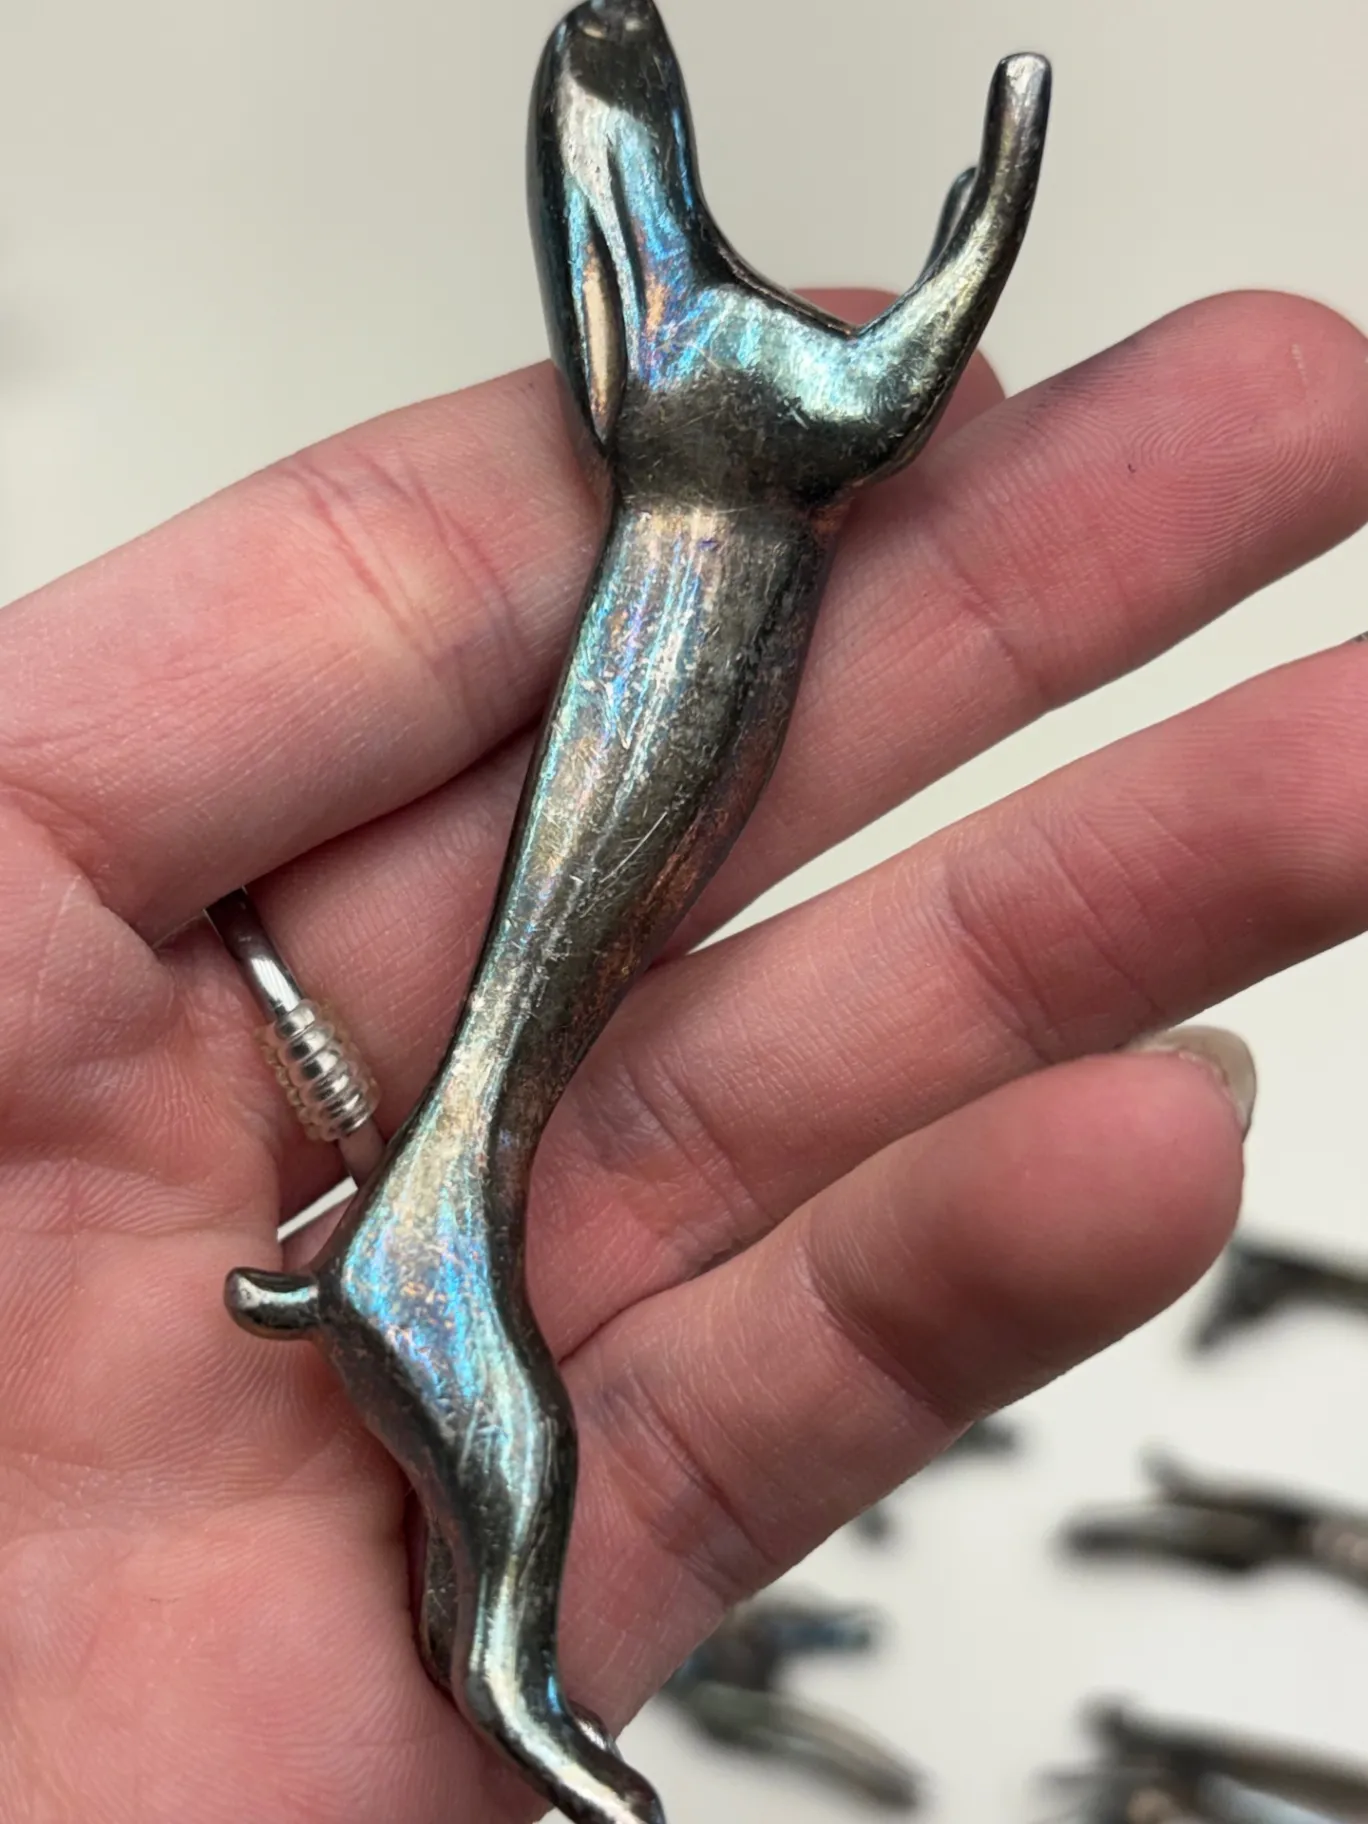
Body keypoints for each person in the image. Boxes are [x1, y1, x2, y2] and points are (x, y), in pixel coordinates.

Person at [0, 281, 1362, 1820]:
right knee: (510, 1437)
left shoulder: (700, 446)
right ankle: (505, 1670)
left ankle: (482, 1623)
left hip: (445, 1172)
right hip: (440, 1215)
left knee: (503, 1405)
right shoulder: (724, 451)